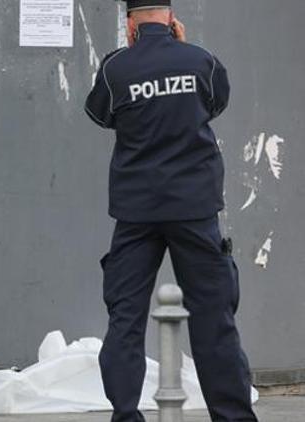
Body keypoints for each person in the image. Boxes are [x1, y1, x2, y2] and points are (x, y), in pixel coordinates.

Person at [84, 1, 259, 421]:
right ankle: (233, 416)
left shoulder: (115, 69)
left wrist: (128, 59)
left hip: (136, 211)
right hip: (194, 208)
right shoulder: (202, 61)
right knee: (214, 318)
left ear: (130, 23)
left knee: (125, 319)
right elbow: (213, 105)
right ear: (171, 17)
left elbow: (100, 114)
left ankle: (127, 416)